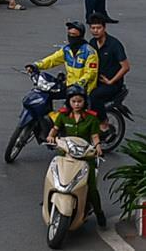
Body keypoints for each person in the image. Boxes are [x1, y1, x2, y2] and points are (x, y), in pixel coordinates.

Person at [44, 88, 107, 228]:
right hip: (66, 154)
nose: (77, 104)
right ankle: (48, 201)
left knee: (91, 188)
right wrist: (50, 136)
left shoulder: (91, 118)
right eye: (74, 101)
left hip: (85, 157)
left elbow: (95, 136)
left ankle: (99, 212)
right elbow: (55, 129)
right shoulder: (62, 116)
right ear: (69, 102)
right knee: (53, 178)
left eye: (80, 101)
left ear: (85, 102)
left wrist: (97, 147)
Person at [35, 21, 100, 95]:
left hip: (85, 91)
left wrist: (78, 84)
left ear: (81, 35)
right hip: (69, 88)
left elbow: (91, 73)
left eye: (74, 34)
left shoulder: (89, 52)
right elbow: (52, 59)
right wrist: (36, 65)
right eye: (69, 34)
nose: (71, 37)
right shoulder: (66, 50)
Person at [89, 16, 130, 121]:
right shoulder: (92, 43)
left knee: (94, 96)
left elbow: (125, 67)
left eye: (98, 28)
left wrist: (111, 81)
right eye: (93, 28)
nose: (95, 31)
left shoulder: (114, 44)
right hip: (95, 81)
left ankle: (103, 122)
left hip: (112, 84)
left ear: (104, 28)